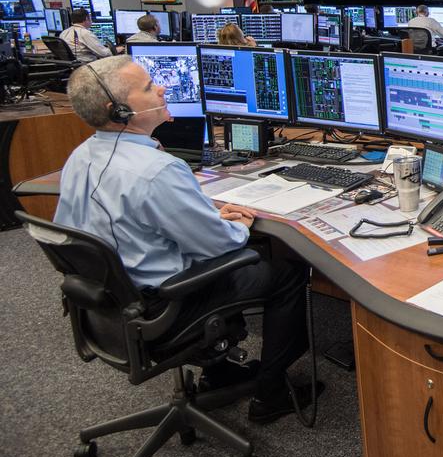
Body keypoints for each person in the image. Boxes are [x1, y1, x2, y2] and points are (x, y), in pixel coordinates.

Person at [55, 57, 319, 423]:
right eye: (148, 87)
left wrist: (210, 219)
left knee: (232, 256)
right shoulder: (156, 171)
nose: (161, 89)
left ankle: (219, 370)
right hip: (164, 305)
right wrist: (234, 225)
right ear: (118, 109)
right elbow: (220, 246)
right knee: (286, 271)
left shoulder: (79, 158)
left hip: (111, 304)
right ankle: (271, 393)